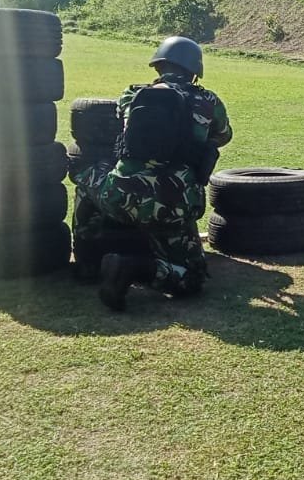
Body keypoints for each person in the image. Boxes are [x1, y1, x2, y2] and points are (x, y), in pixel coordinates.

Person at [70, 36, 232, 311]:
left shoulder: (131, 94)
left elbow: (123, 129)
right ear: (194, 70)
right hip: (175, 205)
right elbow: (224, 135)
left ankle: (87, 260)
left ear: (158, 65)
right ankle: (132, 268)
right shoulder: (208, 100)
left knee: (85, 177)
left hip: (122, 197)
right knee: (191, 277)